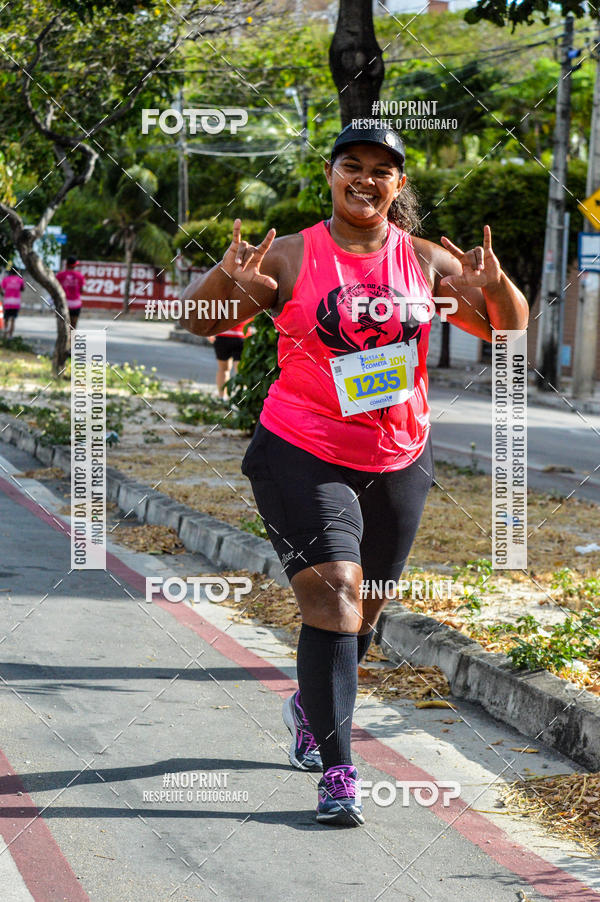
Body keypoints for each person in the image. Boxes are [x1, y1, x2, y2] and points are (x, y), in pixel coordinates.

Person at [180, 124, 528, 827]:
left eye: (381, 170)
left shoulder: (424, 261)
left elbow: (506, 333)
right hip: (301, 447)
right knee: (335, 595)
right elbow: (198, 319)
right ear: (332, 175)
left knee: (366, 609)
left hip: (398, 454)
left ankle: (312, 709)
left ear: (399, 185)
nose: (365, 179)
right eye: (352, 165)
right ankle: (338, 770)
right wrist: (227, 279)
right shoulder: (289, 254)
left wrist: (498, 288)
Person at [207, 317, 253, 399]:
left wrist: (209, 332)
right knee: (241, 371)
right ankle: (242, 399)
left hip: (222, 336)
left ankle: (222, 398)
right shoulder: (249, 303)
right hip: (241, 336)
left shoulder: (220, 303)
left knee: (223, 369)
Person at [56, 255, 85, 328]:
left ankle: (64, 339)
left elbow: (56, 288)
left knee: (64, 326)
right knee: (73, 326)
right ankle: (72, 339)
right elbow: (82, 290)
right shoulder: (80, 276)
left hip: (64, 303)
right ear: (75, 265)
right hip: (76, 304)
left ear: (66, 264)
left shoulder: (60, 275)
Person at [1, 267, 25, 339]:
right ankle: (10, 336)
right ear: (17, 272)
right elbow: (22, 289)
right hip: (16, 303)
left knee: (6, 319)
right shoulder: (20, 280)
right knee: (13, 320)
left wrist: (3, 294)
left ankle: (5, 335)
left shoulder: (6, 279)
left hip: (7, 302)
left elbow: (1, 288)